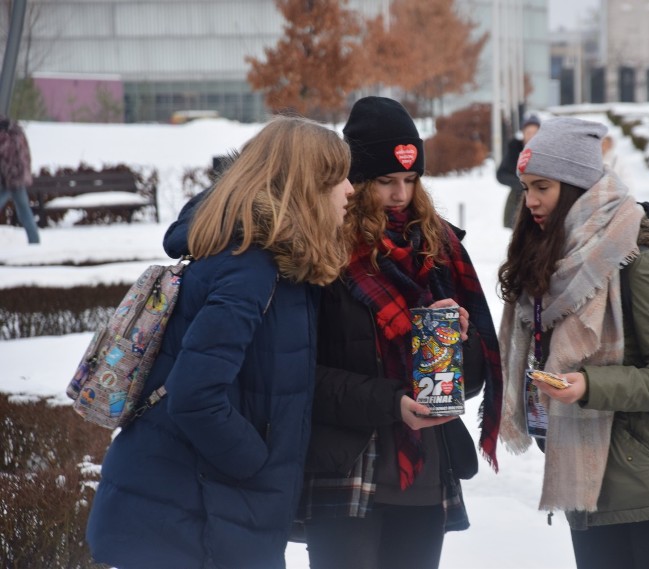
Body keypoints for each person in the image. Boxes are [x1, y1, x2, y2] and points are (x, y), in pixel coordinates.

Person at [86, 116, 354, 569]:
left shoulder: (275, 266)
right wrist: (255, 464)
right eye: (337, 178)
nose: (350, 190)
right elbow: (195, 395)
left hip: (208, 513)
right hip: (190, 521)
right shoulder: (249, 269)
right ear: (304, 187)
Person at [497, 117, 649, 569]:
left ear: (577, 185)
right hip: (590, 490)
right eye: (525, 188)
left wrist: (588, 386)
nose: (531, 201)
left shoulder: (637, 256)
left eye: (542, 187)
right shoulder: (551, 256)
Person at [298, 96, 504, 569]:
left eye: (410, 180)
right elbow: (303, 377)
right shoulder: (325, 252)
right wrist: (391, 403)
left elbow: (468, 383)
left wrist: (462, 342)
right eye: (385, 181)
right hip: (348, 472)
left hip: (426, 474)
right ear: (355, 182)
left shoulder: (439, 247)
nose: (400, 195)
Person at [0, 115, 40, 244]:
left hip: (8, 180)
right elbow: (26, 155)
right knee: (24, 210)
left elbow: (5, 158)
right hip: (19, 177)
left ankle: (34, 241)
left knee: (23, 210)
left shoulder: (4, 137)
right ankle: (34, 241)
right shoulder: (18, 133)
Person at [496, 113, 540, 229]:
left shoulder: (545, 152)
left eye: (534, 133)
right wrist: (522, 184)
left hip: (540, 202)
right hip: (517, 201)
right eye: (528, 133)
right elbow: (501, 174)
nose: (531, 136)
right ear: (523, 133)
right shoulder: (514, 149)